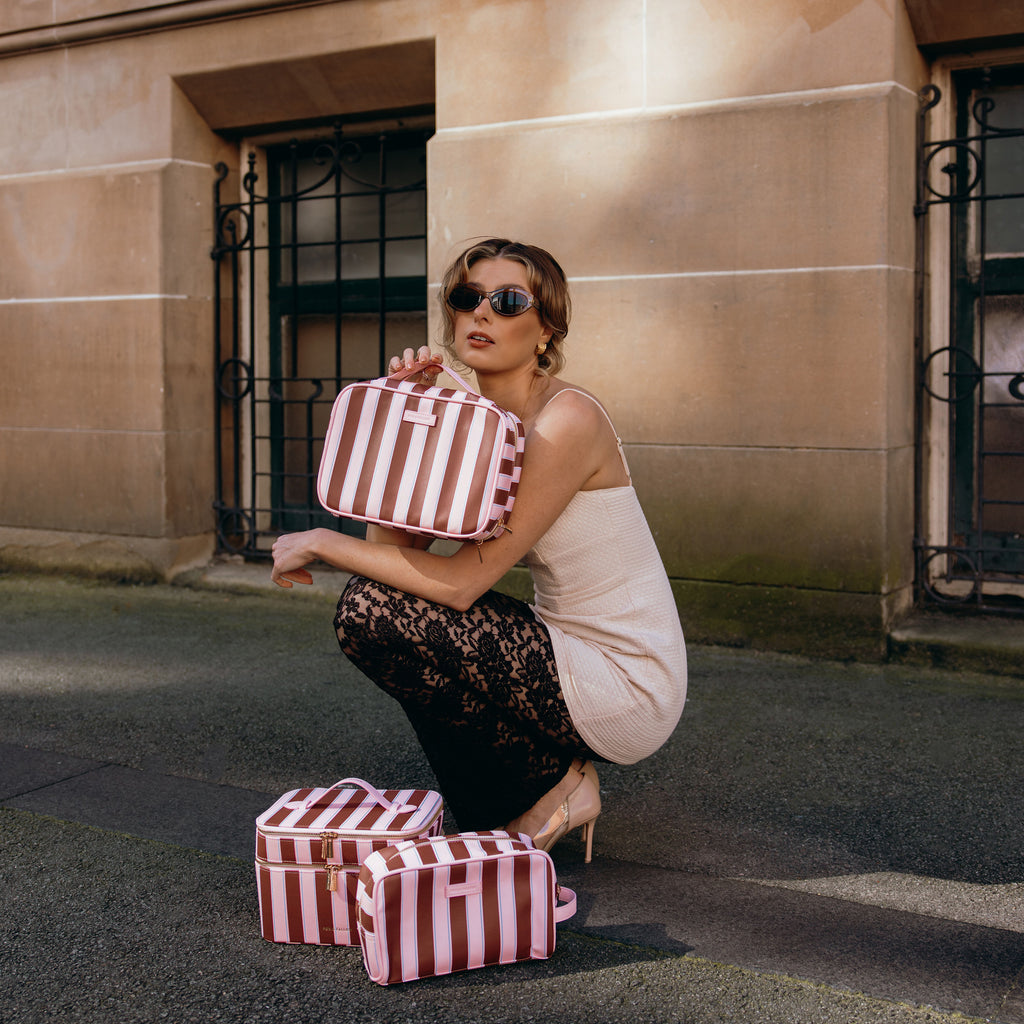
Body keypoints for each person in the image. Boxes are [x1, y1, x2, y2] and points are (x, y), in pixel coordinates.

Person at [271, 238, 686, 862]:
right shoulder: (480, 422)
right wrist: (409, 420)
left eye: (508, 300)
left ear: (546, 330)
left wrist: (320, 540)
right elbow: (399, 558)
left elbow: (460, 584)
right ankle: (542, 787)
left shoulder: (566, 420)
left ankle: (556, 788)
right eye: (467, 298)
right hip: (557, 654)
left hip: (626, 679)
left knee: (371, 612)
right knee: (372, 614)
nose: (481, 313)